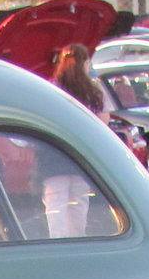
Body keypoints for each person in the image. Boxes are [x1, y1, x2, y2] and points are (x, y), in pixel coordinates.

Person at [44, 43, 109, 236]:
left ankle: (58, 249)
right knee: (78, 205)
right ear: (86, 63)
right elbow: (103, 125)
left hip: (54, 153)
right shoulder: (94, 92)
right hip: (83, 155)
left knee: (56, 206)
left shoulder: (51, 89)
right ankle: (77, 247)